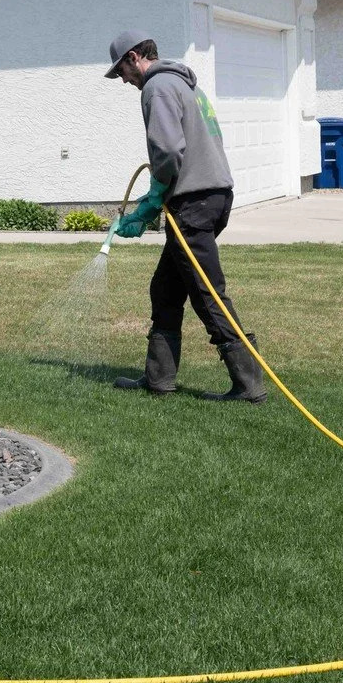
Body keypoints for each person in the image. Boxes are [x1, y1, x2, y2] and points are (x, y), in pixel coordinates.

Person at [103, 29, 266, 403]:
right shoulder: (185, 84)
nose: (124, 81)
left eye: (122, 72)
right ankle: (159, 379)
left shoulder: (157, 87)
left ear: (133, 57)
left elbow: (168, 151)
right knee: (165, 288)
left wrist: (150, 204)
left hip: (194, 203)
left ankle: (249, 384)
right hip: (214, 196)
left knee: (208, 294)